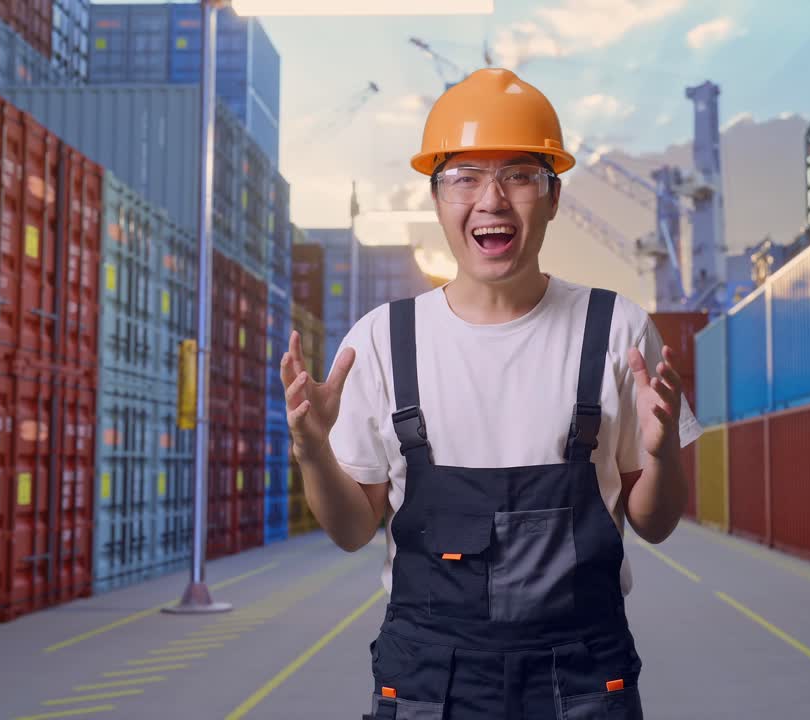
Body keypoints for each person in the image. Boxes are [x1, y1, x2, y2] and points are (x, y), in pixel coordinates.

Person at [279, 67, 702, 720]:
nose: (492, 199)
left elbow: (656, 522)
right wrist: (311, 451)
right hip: (427, 684)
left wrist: (664, 451)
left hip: (584, 680)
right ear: (437, 197)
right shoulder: (385, 341)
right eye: (465, 177)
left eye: (520, 175)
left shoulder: (616, 330)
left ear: (554, 196)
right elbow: (351, 528)